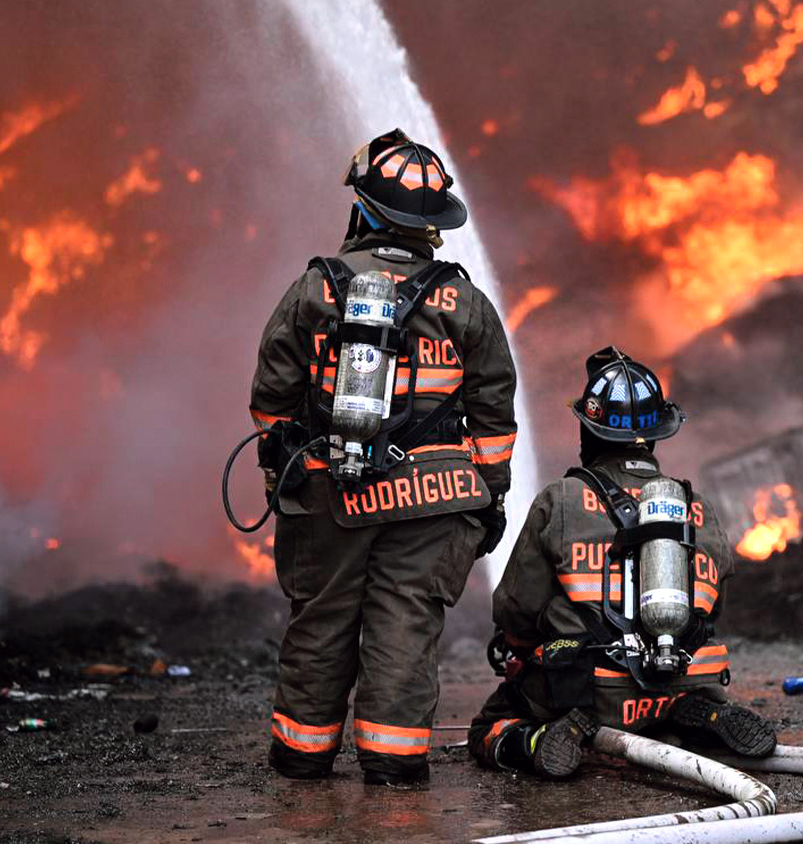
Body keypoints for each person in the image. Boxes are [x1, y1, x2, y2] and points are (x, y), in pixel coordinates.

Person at [250, 129, 516, 786]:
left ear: (364, 209)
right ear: (431, 225)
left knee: (322, 617)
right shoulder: (465, 302)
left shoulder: (317, 289)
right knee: (406, 622)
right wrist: (491, 494)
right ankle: (394, 760)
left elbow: (271, 399)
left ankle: (303, 754)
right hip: (433, 501)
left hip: (332, 491)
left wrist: (283, 472)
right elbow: (493, 414)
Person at [468, 347, 774, 778]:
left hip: (594, 690)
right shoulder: (696, 507)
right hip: (682, 678)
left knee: (490, 724)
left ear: (588, 431)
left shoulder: (561, 499)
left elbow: (516, 607)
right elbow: (713, 609)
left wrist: (526, 652)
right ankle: (695, 715)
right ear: (657, 434)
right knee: (675, 708)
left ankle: (546, 737)